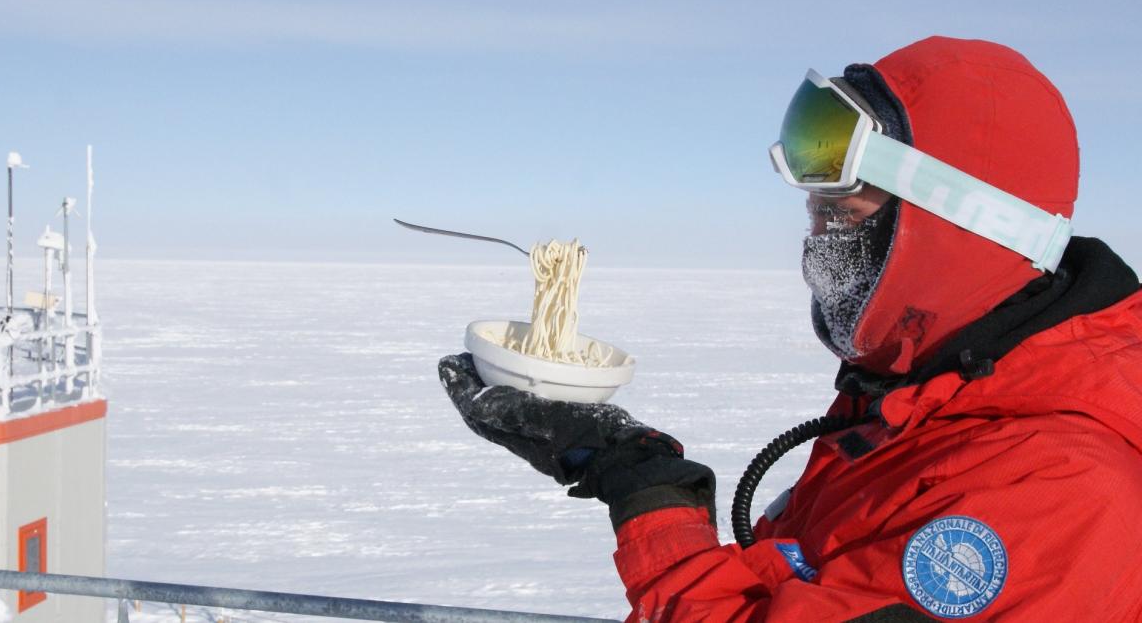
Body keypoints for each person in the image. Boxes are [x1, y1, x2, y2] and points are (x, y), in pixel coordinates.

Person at [439, 36, 1142, 621]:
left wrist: (648, 497)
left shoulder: (1055, 496)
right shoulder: (926, 399)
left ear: (957, 221)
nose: (815, 224)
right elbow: (800, 587)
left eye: (839, 207)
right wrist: (632, 462)